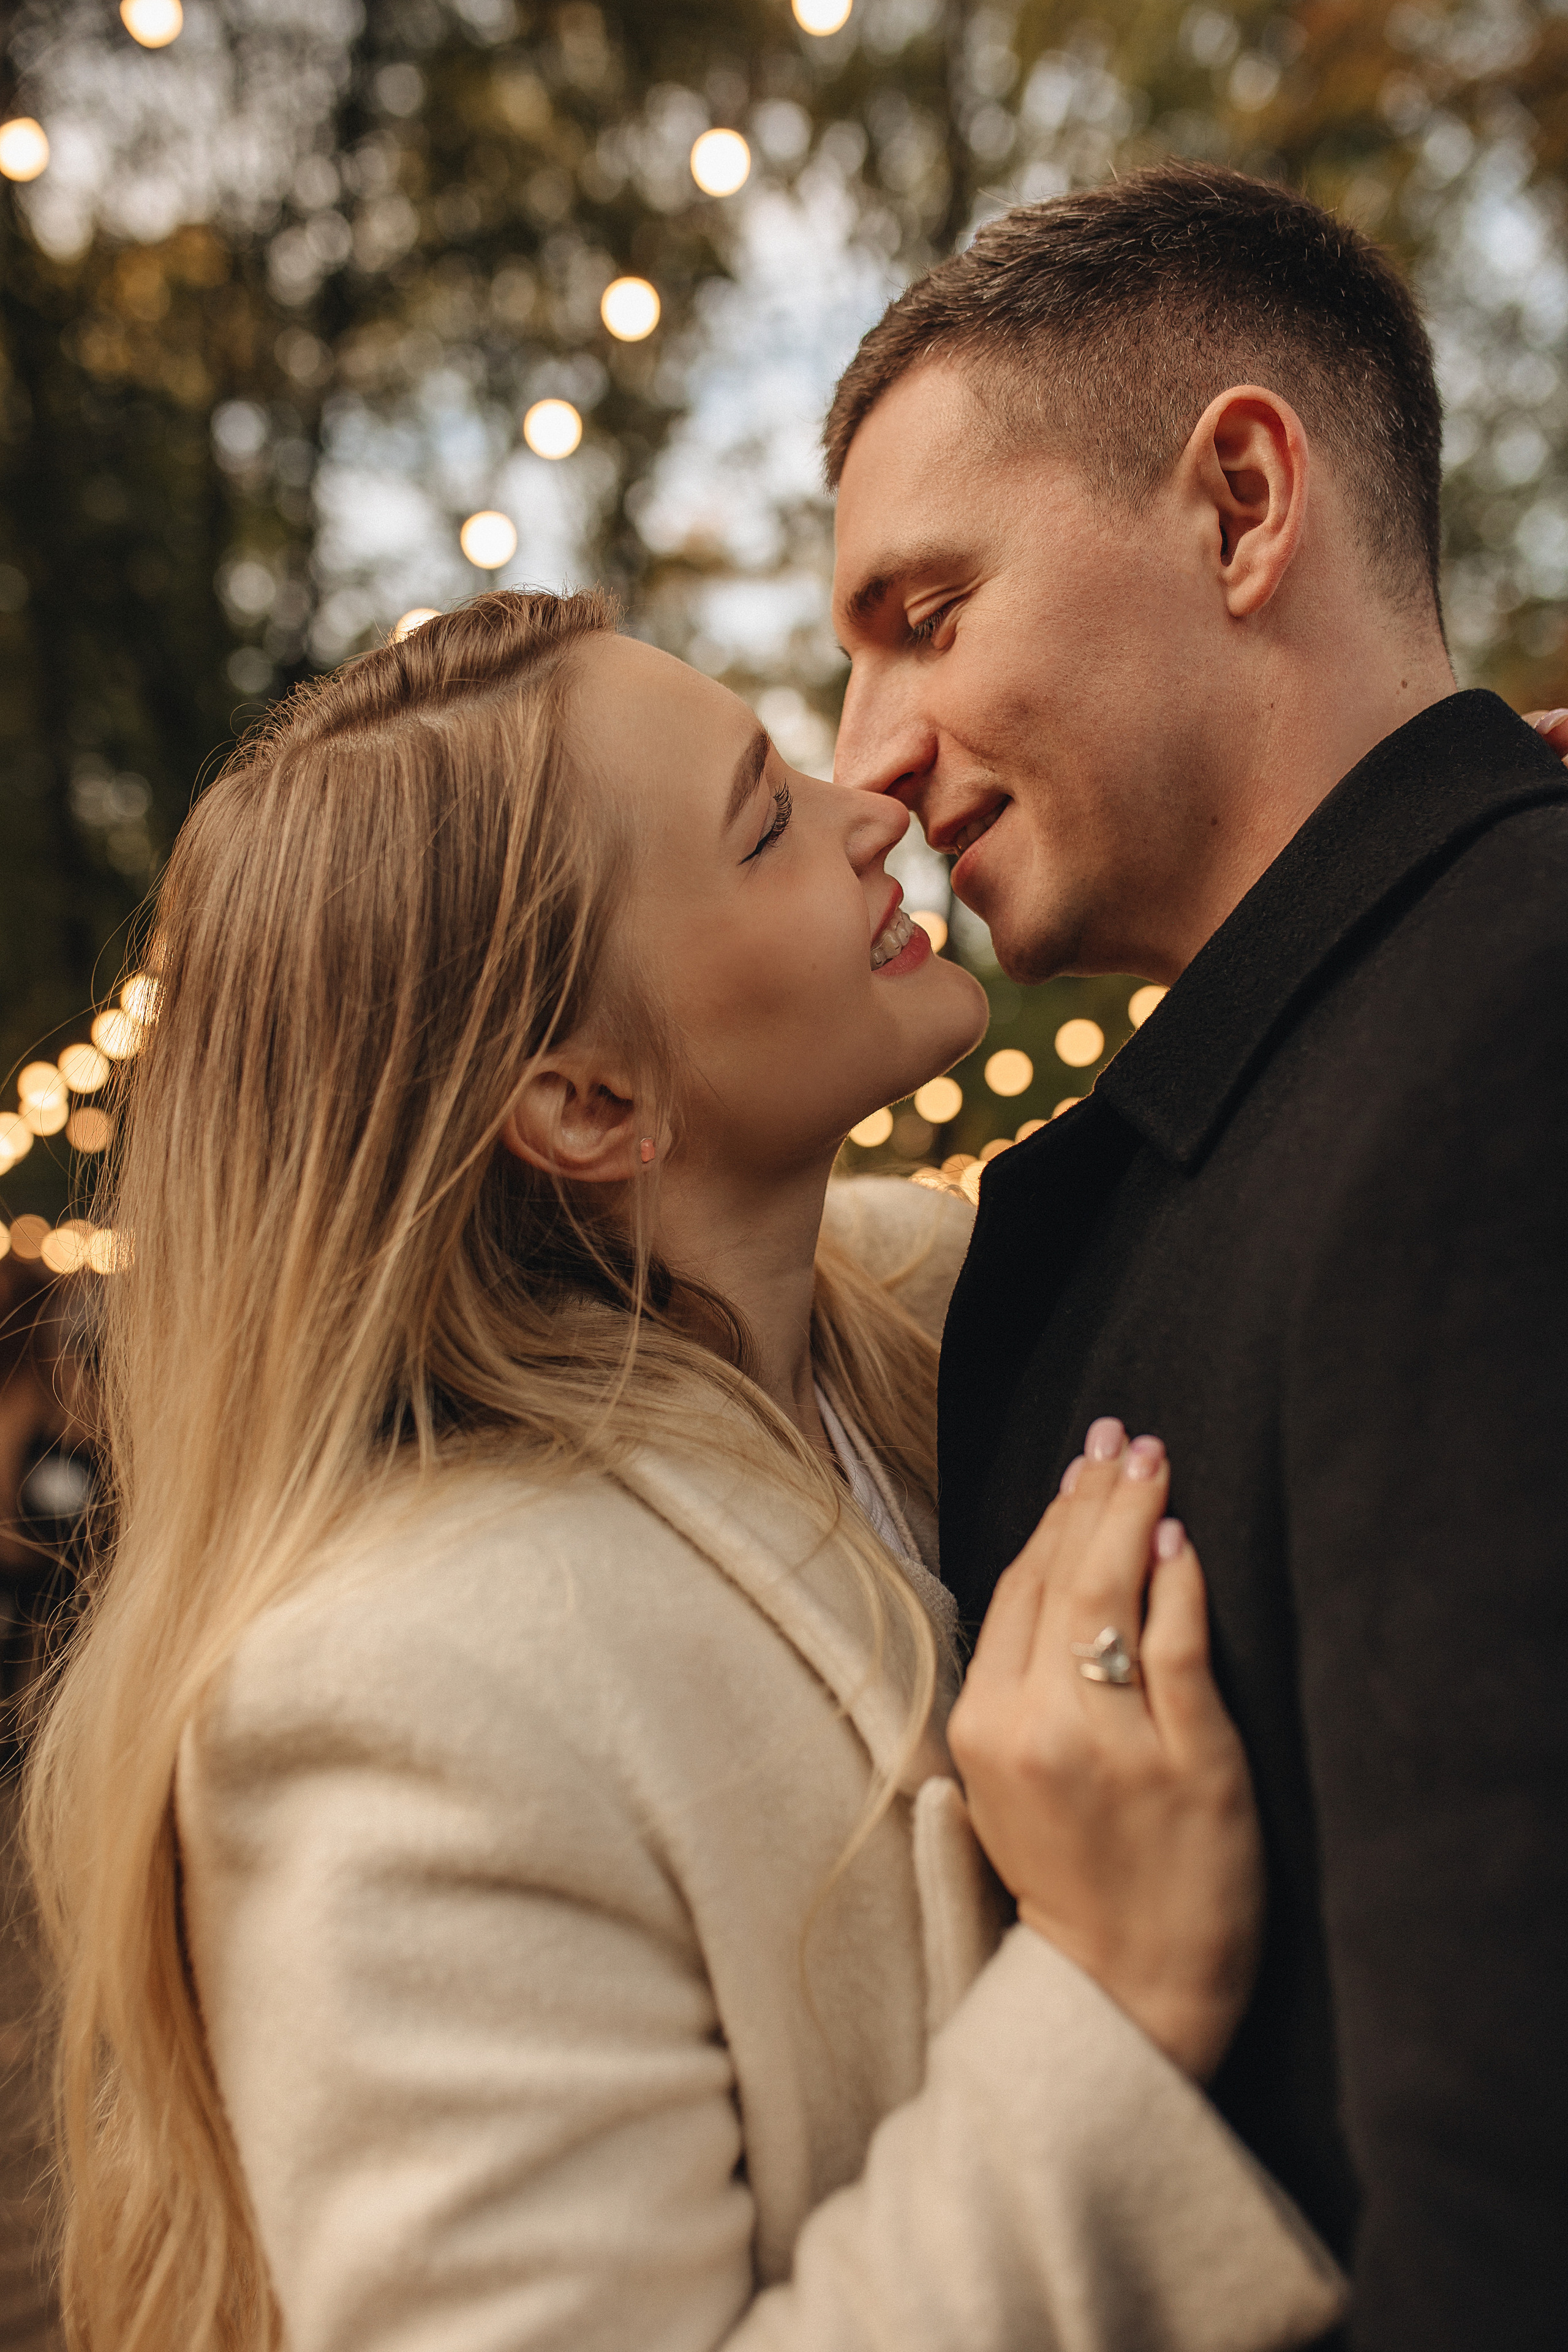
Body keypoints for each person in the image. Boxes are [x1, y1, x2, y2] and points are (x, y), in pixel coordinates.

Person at [23, 591, 1344, 2352]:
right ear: (586, 1101)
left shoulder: (941, 1318)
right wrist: (1112, 1996)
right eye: (765, 820)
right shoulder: (395, 1693)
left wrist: (1428, 886)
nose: (870, 804)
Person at [828, 160, 1568, 2350]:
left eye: (926, 613)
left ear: (1243, 506)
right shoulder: (1160, 1157)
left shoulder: (1502, 1037)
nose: (869, 757)